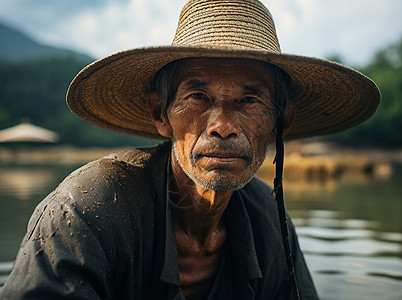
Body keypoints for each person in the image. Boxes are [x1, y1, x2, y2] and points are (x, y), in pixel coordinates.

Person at [0, 0, 380, 299]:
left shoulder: (268, 217)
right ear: (160, 115)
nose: (222, 126)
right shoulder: (88, 208)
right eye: (199, 96)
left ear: (281, 121)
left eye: (250, 100)